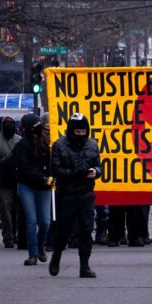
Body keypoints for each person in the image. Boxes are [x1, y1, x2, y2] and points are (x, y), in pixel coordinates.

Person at [49, 113, 102, 278]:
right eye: (77, 131)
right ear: (71, 130)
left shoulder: (93, 145)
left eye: (83, 131)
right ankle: (56, 256)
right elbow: (55, 169)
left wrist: (96, 171)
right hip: (67, 195)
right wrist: (74, 173)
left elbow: (99, 165)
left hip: (86, 194)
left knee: (86, 230)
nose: (80, 134)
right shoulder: (59, 145)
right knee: (64, 231)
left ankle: (84, 266)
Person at [13, 114, 53, 266]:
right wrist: (43, 178)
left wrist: (51, 175)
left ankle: (41, 244)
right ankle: (32, 254)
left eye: (39, 123)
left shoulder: (47, 141)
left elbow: (52, 162)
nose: (39, 125)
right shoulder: (23, 145)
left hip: (44, 186)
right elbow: (25, 168)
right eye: (36, 123)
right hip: (26, 185)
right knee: (31, 220)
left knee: (45, 221)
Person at [0, 116, 21, 248]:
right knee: (5, 210)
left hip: (18, 181)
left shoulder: (19, 140)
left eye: (11, 124)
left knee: (18, 210)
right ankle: (8, 238)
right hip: (2, 182)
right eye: (7, 124)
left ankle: (18, 234)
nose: (9, 126)